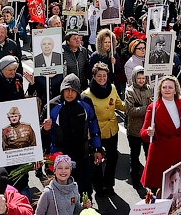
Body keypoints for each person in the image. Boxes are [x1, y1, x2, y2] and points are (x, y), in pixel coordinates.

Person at [41, 73, 104, 197]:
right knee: (62, 193)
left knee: (85, 190)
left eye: (73, 90)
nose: (69, 94)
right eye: (66, 90)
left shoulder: (86, 102)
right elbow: (40, 136)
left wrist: (97, 148)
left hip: (82, 154)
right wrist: (44, 129)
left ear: (78, 91)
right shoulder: (51, 106)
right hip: (60, 157)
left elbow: (94, 126)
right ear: (62, 90)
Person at [140, 75, 181, 191]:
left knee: (176, 191)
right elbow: (143, 132)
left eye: (170, 87)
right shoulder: (153, 107)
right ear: (160, 90)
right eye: (164, 87)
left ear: (175, 90)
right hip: (161, 154)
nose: (167, 90)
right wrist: (149, 132)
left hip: (178, 152)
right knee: (159, 191)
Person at [81, 61, 126, 196]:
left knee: (113, 158)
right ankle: (99, 187)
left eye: (104, 75)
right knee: (97, 161)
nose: (102, 78)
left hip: (112, 130)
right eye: (99, 75)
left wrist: (133, 107)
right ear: (94, 76)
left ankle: (109, 184)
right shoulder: (86, 95)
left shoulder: (112, 88)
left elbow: (118, 104)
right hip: (96, 133)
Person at [123, 65, 152, 185]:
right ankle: (135, 179)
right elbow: (129, 110)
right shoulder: (129, 91)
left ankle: (149, 177)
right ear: (134, 78)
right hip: (134, 129)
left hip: (148, 129)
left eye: (143, 78)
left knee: (149, 155)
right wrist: (148, 109)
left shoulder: (149, 88)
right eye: (139, 78)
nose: (141, 80)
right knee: (135, 156)